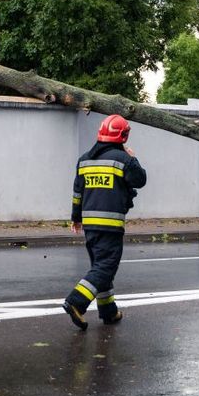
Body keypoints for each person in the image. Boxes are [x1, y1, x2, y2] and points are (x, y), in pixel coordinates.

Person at [62, 114, 147, 330]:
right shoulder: (123, 159)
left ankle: (109, 312)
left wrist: (75, 218)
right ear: (123, 136)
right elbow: (140, 180)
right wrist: (132, 158)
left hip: (90, 225)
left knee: (101, 267)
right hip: (110, 226)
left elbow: (77, 193)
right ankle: (76, 302)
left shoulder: (84, 160)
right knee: (105, 267)